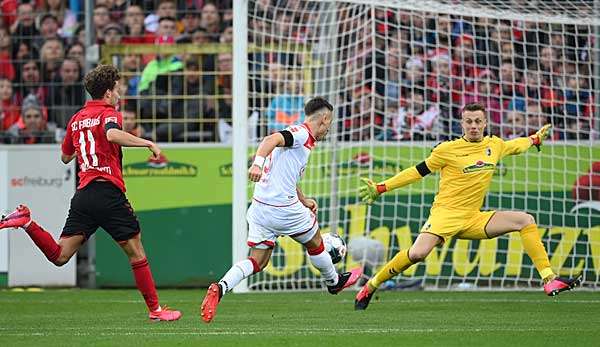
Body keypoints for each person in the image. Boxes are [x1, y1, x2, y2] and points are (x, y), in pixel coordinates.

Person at [355, 102, 582, 310]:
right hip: (445, 215)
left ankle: (549, 280)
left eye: (477, 121)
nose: (473, 126)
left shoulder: (495, 144)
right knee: (417, 254)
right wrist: (382, 187)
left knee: (525, 220)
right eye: (469, 121)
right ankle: (371, 286)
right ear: (462, 124)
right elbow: (417, 172)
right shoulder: (446, 149)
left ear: (485, 123)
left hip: (474, 218)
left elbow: (515, 146)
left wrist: (534, 139)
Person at [0, 65, 181, 322]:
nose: (119, 94)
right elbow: (111, 133)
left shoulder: (76, 119)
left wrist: (88, 147)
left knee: (60, 256)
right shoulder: (110, 113)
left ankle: (27, 222)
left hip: (84, 195)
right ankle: (156, 310)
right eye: (117, 89)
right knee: (137, 253)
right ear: (108, 93)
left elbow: (65, 157)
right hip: (107, 191)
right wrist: (147, 142)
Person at [200, 97, 362, 323]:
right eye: (330, 122)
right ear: (324, 119)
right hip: (282, 209)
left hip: (260, 208)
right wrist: (256, 162)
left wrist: (303, 199)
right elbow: (271, 138)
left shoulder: (299, 140)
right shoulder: (301, 133)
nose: (329, 128)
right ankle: (334, 282)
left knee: (258, 261)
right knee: (316, 243)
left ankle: (220, 287)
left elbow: (286, 176)